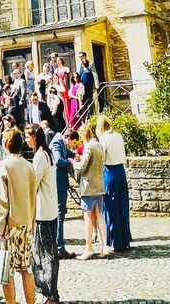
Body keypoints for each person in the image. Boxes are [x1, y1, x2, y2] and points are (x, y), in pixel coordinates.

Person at [0, 127, 36, 304]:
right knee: (26, 269)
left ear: (6, 144)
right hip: (27, 222)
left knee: (7, 271)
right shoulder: (29, 166)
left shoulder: (4, 166)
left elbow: (2, 201)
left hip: (10, 225)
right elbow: (34, 197)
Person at [26, 125, 60, 304]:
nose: (26, 140)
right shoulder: (47, 154)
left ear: (35, 137)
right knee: (49, 253)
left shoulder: (40, 156)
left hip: (43, 212)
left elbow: (33, 183)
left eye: (28, 137)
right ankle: (52, 293)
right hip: (49, 209)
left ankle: (50, 295)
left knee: (44, 255)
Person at [96, 115, 131, 253]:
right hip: (121, 171)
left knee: (111, 207)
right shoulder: (119, 136)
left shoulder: (104, 139)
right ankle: (125, 239)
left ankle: (116, 241)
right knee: (122, 205)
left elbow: (101, 157)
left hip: (110, 172)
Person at [73, 124, 109, 260]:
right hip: (99, 184)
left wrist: (73, 163)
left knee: (87, 217)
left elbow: (83, 165)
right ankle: (104, 246)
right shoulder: (99, 145)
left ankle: (89, 248)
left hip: (88, 187)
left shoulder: (88, 146)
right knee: (100, 215)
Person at [50, 128, 77, 260]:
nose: (73, 145)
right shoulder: (56, 143)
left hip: (60, 183)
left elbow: (66, 151)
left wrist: (73, 154)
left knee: (60, 215)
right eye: (73, 143)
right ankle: (59, 247)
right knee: (60, 216)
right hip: (58, 184)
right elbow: (58, 160)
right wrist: (70, 161)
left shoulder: (61, 142)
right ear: (68, 139)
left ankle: (58, 245)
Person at [78, 52, 96, 117]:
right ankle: (86, 116)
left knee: (89, 100)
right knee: (84, 100)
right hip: (83, 86)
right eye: (79, 57)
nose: (80, 58)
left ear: (85, 56)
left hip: (89, 86)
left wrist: (96, 85)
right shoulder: (80, 65)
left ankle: (92, 114)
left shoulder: (90, 63)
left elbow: (94, 74)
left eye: (81, 56)